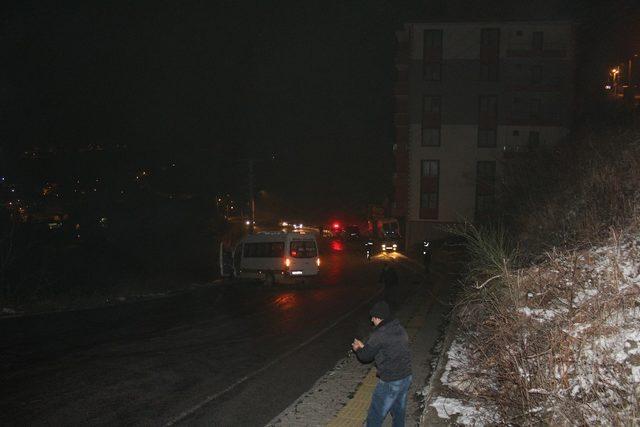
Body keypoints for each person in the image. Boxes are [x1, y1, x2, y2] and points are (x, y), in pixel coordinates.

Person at [352, 301, 412, 427]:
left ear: (377, 317)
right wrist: (365, 347)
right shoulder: (398, 327)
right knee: (398, 411)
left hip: (391, 380)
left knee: (375, 414)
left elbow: (365, 356)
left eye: (373, 317)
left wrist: (358, 348)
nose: (372, 320)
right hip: (406, 376)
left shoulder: (379, 334)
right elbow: (384, 348)